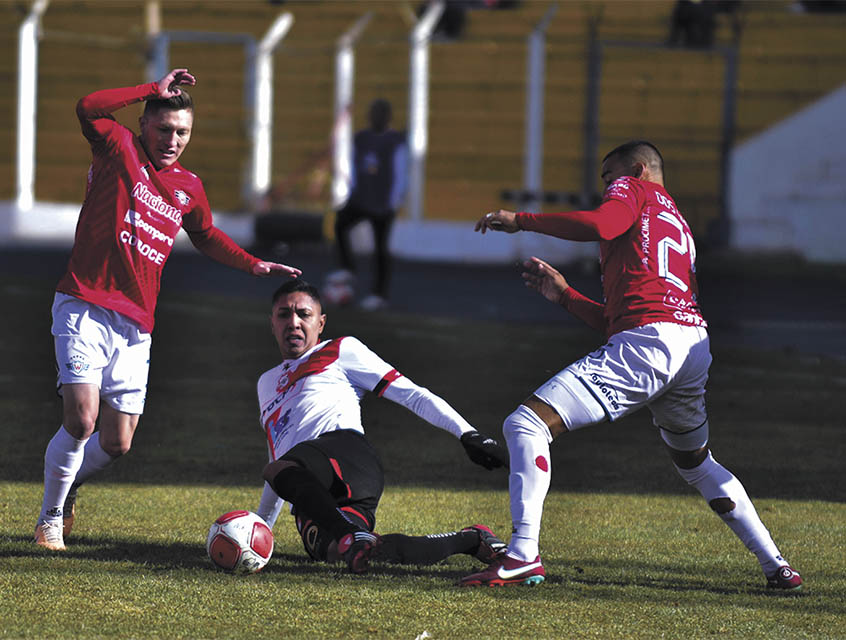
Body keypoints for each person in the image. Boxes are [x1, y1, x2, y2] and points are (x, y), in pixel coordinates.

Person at [461, 140, 802, 591]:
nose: (607, 188)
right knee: (697, 463)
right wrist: (565, 295)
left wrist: (520, 220)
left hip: (654, 341)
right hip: (690, 344)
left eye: (610, 178)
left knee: (526, 425)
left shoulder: (632, 190)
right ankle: (776, 565)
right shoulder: (676, 222)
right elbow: (629, 317)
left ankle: (523, 554)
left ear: (638, 170)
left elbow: (605, 225)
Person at [34, 68, 302, 551]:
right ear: (143, 125)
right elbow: (88, 105)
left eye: (183, 133)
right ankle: (49, 519)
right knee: (82, 418)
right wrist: (148, 88)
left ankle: (70, 482)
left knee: (117, 443)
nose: (173, 140)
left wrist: (251, 264)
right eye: (164, 129)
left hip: (137, 324)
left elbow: (204, 235)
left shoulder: (187, 186)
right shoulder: (117, 148)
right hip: (85, 303)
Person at [256, 279, 509, 573]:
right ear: (272, 323)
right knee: (354, 554)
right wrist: (261, 531)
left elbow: (412, 393)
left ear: (321, 323)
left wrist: (467, 433)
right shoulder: (266, 383)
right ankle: (470, 540)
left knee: (281, 473)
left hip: (345, 454)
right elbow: (278, 460)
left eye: (304, 314)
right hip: (308, 491)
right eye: (284, 314)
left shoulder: (340, 350)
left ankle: (349, 535)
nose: (294, 322)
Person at [327, 98, 407, 311]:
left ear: (388, 117)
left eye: (380, 113)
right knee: (341, 223)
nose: (375, 117)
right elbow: (354, 164)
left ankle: (379, 294)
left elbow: (400, 172)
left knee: (380, 249)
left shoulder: (394, 141)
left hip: (383, 203)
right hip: (361, 198)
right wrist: (352, 190)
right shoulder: (361, 138)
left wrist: (394, 200)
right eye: (372, 113)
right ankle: (348, 267)